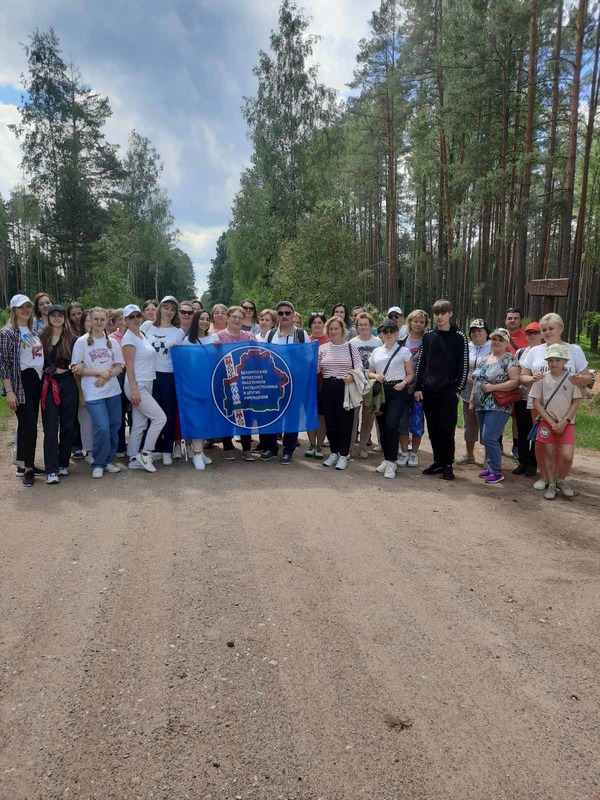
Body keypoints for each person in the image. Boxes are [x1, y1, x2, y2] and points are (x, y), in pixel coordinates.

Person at [520, 312, 592, 491]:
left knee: (561, 443)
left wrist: (580, 379)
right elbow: (522, 376)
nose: (547, 332)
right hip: (539, 403)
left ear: (561, 328)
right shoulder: (535, 350)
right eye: (543, 329)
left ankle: (559, 477)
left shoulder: (573, 350)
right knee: (541, 442)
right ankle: (544, 475)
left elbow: (587, 376)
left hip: (565, 405)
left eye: (551, 328)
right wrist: (532, 379)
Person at [414, 299, 468, 481]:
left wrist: (457, 389)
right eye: (436, 313)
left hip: (448, 391)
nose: (439, 316)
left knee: (447, 428)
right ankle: (437, 461)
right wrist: (419, 386)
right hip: (429, 390)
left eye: (443, 313)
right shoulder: (428, 337)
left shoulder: (459, 337)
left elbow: (463, 365)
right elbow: (422, 363)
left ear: (450, 314)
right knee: (434, 428)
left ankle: (448, 464)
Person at [71, 308, 124, 479]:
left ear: (107, 320)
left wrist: (108, 374)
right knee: (101, 427)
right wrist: (98, 373)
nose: (99, 323)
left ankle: (109, 460)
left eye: (103, 319)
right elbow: (76, 368)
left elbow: (119, 365)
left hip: (113, 390)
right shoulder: (82, 342)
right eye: (96, 319)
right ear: (90, 321)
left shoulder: (113, 343)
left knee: (114, 426)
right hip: (93, 392)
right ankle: (98, 463)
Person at [0, 295, 44, 487]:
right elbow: (4, 364)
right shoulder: (8, 333)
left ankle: (26, 463)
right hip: (21, 383)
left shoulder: (34, 331)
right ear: (14, 310)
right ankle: (28, 470)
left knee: (30, 426)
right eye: (21, 307)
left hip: (37, 382)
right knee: (29, 427)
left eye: (28, 306)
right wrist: (9, 391)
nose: (25, 310)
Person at [530, 343, 583, 500]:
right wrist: (551, 422)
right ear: (547, 361)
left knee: (567, 456)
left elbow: (576, 402)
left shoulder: (571, 380)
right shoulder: (541, 379)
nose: (554, 364)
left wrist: (565, 421)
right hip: (547, 423)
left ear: (564, 361)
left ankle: (561, 480)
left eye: (558, 360)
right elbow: (536, 403)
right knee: (549, 452)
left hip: (567, 424)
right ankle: (551, 484)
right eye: (551, 360)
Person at [469, 328, 521, 485]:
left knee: (490, 437)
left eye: (501, 339)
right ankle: (492, 467)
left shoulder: (509, 360)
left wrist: (493, 388)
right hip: (481, 404)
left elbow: (515, 381)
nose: (496, 342)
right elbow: (477, 380)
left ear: (507, 344)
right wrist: (472, 400)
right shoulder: (486, 358)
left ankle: (497, 471)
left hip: (498, 405)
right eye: (494, 339)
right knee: (486, 438)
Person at [259, 301, 308, 464]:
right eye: (281, 313)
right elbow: (263, 356)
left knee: (292, 416)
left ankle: (289, 449)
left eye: (288, 313)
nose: (284, 316)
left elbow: (308, 358)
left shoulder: (301, 335)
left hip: (294, 383)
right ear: (277, 316)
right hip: (274, 383)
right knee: (272, 414)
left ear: (293, 314)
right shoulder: (270, 334)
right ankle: (272, 448)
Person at [121, 304, 166, 474]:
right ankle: (146, 453)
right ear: (125, 320)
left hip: (146, 382)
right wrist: (134, 390)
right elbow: (129, 366)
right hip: (137, 384)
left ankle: (133, 457)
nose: (135, 319)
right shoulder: (128, 339)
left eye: (137, 315)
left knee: (140, 423)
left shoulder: (141, 335)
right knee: (160, 418)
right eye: (131, 317)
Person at [368, 318, 413, 479]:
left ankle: (392, 461)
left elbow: (410, 374)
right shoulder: (376, 352)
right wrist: (376, 375)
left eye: (392, 331)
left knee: (391, 425)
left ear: (396, 333)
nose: (388, 334)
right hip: (381, 390)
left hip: (397, 390)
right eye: (385, 332)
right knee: (382, 426)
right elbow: (369, 371)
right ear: (381, 334)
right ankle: (387, 459)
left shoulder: (404, 352)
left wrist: (403, 384)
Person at [143, 296, 185, 465]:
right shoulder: (147, 326)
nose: (169, 311)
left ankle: (166, 448)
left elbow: (181, 357)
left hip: (168, 374)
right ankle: (152, 448)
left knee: (167, 412)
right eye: (166, 307)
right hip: (149, 374)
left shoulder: (178, 331)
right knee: (151, 413)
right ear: (160, 308)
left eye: (172, 309)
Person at [39, 305, 78, 484]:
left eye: (59, 315)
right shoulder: (41, 338)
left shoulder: (73, 339)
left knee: (68, 425)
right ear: (48, 318)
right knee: (51, 427)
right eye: (53, 315)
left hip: (68, 383)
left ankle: (63, 462)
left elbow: (80, 360)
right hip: (49, 383)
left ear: (64, 318)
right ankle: (51, 468)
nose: (56, 318)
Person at [318, 317, 361, 470]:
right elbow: (317, 369)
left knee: (345, 422)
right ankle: (334, 452)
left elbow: (359, 367)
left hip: (345, 387)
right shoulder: (322, 348)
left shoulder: (351, 347)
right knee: (330, 422)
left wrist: (352, 376)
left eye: (336, 328)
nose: (333, 331)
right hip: (328, 387)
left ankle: (343, 455)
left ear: (342, 330)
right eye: (330, 329)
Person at [216, 307, 255, 460]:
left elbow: (257, 357)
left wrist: (255, 345)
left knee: (247, 414)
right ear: (227, 318)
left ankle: (246, 448)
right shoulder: (218, 336)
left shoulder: (249, 336)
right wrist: (215, 346)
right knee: (228, 412)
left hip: (245, 382)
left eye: (240, 317)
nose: (237, 320)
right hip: (225, 382)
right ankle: (227, 446)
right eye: (234, 316)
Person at [180, 310, 217, 470]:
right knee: (197, 418)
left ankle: (200, 451)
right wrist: (176, 348)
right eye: (201, 318)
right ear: (196, 320)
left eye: (207, 319)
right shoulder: (187, 341)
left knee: (206, 418)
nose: (204, 321)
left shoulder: (214, 339)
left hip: (209, 386)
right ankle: (196, 453)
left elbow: (219, 360)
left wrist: (218, 348)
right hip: (192, 387)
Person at [457, 319, 491, 466]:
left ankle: (488, 458)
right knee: (469, 424)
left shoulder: (492, 346)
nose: (477, 333)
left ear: (486, 332)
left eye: (480, 330)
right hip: (467, 391)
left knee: (487, 426)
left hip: (488, 393)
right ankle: (469, 454)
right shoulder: (466, 347)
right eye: (473, 331)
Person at [397, 309, 428, 467]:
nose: (418, 324)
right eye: (416, 321)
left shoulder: (428, 342)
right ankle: (404, 452)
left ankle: (414, 453)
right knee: (402, 422)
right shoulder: (401, 341)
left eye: (422, 322)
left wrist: (418, 386)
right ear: (410, 322)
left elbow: (429, 367)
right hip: (402, 387)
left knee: (416, 422)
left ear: (425, 325)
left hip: (419, 389)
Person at [512, 321, 543, 477]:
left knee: (536, 430)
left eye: (535, 333)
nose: (532, 336)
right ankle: (523, 461)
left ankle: (533, 463)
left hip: (539, 398)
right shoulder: (521, 352)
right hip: (522, 396)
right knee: (522, 430)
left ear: (541, 335)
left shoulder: (545, 352)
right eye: (529, 333)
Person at [350, 312, 381, 458]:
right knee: (353, 416)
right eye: (360, 324)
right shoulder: (352, 343)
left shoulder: (378, 342)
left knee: (368, 416)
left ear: (371, 325)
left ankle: (362, 447)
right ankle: (349, 448)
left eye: (366, 324)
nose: (363, 327)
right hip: (356, 382)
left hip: (371, 382)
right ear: (356, 326)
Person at [306, 312, 329, 458]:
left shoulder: (329, 341)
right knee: (310, 415)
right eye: (314, 322)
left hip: (323, 384)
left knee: (322, 416)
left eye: (320, 322)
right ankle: (311, 444)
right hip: (308, 385)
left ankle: (320, 446)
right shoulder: (306, 341)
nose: (317, 325)